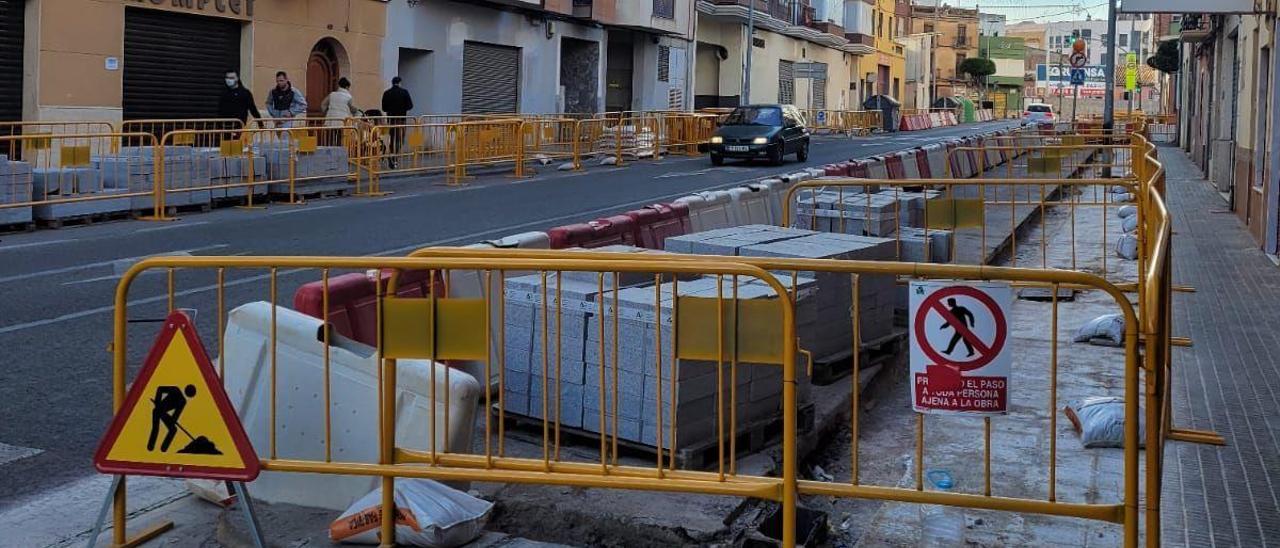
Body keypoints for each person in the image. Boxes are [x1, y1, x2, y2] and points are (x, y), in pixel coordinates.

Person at [148, 384, 196, 453]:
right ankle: (150, 447)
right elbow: (160, 389)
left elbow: (176, 415)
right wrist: (157, 402)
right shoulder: (175, 390)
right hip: (157, 410)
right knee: (156, 428)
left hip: (163, 413)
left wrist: (172, 420)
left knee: (173, 429)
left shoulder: (183, 401)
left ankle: (163, 449)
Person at [381, 77, 414, 167]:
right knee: (399, 139)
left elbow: (384, 108)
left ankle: (391, 155)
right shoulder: (404, 92)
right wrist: (402, 108)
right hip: (401, 119)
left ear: (392, 83)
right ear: (399, 83)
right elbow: (410, 105)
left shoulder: (387, 93)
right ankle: (395, 156)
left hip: (391, 119)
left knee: (392, 138)